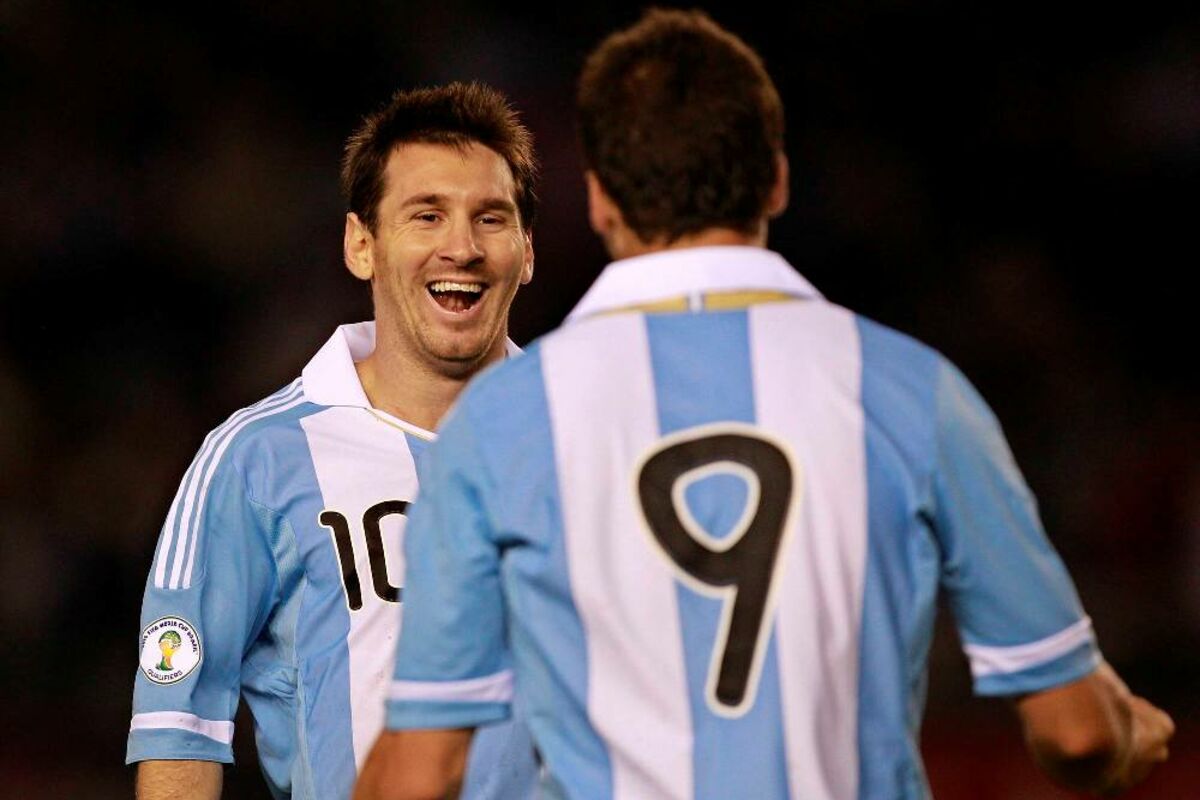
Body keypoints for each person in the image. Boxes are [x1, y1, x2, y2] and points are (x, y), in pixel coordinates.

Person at [355, 10, 1175, 800]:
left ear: (599, 197)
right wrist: (1125, 735)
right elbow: (1077, 734)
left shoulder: (503, 419)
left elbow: (422, 773)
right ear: (777, 180)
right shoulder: (911, 390)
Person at [127, 82, 541, 800]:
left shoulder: (593, 442)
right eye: (427, 215)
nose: (462, 247)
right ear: (361, 245)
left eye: (491, 218)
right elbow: (179, 729)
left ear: (526, 251)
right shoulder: (255, 460)